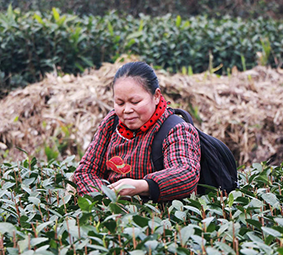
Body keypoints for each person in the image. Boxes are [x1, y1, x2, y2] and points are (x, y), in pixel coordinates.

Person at [72, 61, 201, 202]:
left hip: (157, 220)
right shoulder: (111, 123)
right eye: (120, 103)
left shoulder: (176, 129)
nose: (127, 110)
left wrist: (143, 186)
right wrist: (106, 199)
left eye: (135, 102)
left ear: (156, 96)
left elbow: (186, 173)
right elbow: (86, 171)